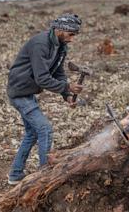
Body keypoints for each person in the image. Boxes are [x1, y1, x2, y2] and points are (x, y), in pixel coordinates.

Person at [6, 13, 83, 185]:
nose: (72, 39)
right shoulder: (40, 44)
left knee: (32, 133)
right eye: (71, 34)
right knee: (45, 129)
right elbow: (42, 78)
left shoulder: (61, 46)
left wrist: (67, 95)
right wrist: (67, 87)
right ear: (60, 30)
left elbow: (58, 73)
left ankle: (15, 174)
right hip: (19, 92)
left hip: (28, 92)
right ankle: (44, 177)